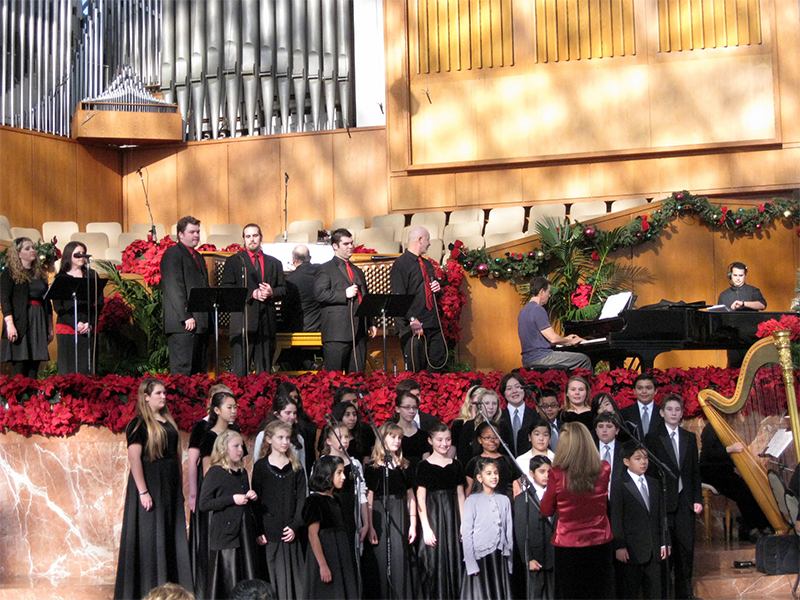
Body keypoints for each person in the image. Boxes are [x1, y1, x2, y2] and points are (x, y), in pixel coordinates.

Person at [114, 378, 193, 600]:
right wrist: (143, 491)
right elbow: (134, 458)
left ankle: (172, 587)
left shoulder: (168, 422)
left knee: (169, 534)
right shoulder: (138, 425)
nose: (163, 396)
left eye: (164, 392)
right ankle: (149, 588)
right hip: (150, 485)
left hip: (168, 486)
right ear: (145, 396)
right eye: (158, 393)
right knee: (151, 536)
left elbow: (176, 456)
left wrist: (179, 487)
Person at [540, 422, 614, 600]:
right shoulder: (603, 469)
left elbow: (546, 510)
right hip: (600, 542)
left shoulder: (557, 474)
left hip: (568, 545)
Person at [645, 394, 703, 600]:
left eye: (677, 410)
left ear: (682, 414)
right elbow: (650, 472)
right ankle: (663, 594)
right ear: (662, 413)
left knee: (686, 550)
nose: (673, 413)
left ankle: (685, 594)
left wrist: (697, 499)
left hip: (685, 501)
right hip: (663, 502)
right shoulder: (652, 438)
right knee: (664, 551)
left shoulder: (689, 437)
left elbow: (694, 472)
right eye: (669, 409)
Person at [199, 430, 267, 600]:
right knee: (229, 576)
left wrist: (251, 497)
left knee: (246, 570)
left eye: (241, 446)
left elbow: (245, 502)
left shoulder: (242, 472)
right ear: (223, 448)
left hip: (244, 531)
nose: (240, 450)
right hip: (225, 534)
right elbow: (204, 504)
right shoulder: (215, 472)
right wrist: (231, 499)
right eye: (235, 446)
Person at [186, 384, 233, 600]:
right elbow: (195, 463)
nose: (232, 409)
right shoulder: (203, 429)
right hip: (210, 490)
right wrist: (194, 495)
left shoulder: (233, 431)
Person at [221, 223, 286, 376]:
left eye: (255, 235)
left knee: (264, 369)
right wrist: (252, 293)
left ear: (261, 237)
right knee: (241, 369)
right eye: (248, 236)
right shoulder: (235, 261)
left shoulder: (274, 263)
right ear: (243, 240)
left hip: (267, 321)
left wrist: (271, 291)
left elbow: (283, 289)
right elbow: (228, 289)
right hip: (243, 320)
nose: (252, 239)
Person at [251, 420, 307, 600]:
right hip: (270, 534)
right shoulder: (261, 467)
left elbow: (301, 500)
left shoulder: (296, 466)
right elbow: (256, 503)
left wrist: (295, 525)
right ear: (269, 440)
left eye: (287, 438)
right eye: (280, 437)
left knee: (295, 582)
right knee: (272, 581)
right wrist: (259, 530)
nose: (285, 442)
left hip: (290, 534)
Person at [362, 422, 417, 599]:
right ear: (382, 438)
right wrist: (369, 525)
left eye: (400, 437)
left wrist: (413, 524)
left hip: (400, 512)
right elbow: (369, 497)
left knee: (400, 558)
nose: (397, 441)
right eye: (392, 436)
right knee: (381, 557)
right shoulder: (372, 467)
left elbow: (410, 496)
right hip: (379, 512)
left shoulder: (404, 466)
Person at [610, 443, 670, 600]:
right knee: (630, 592)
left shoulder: (655, 483)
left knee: (655, 592)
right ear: (626, 462)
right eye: (638, 458)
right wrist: (619, 546)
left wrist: (665, 542)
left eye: (645, 458)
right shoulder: (619, 485)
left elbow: (661, 515)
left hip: (654, 549)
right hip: (631, 550)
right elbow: (616, 517)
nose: (643, 462)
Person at [314, 228, 376, 373]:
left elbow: (364, 297)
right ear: (335, 246)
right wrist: (344, 294)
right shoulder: (325, 269)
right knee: (334, 377)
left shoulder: (357, 270)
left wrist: (371, 322)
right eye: (346, 244)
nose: (350, 246)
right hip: (337, 333)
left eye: (351, 243)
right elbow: (320, 294)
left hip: (359, 332)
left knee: (357, 376)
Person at [416, 422, 466, 600]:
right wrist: (426, 528)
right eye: (439, 440)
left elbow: (460, 496)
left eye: (448, 439)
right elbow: (420, 498)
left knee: (455, 558)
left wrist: (463, 524)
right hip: (433, 516)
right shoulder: (423, 466)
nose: (444, 444)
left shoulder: (456, 465)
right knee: (435, 561)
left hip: (452, 517)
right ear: (430, 441)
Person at [699, 421, 771, 542]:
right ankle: (752, 529)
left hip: (725, 472)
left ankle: (763, 526)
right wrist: (729, 449)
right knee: (741, 492)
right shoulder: (710, 429)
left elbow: (727, 458)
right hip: (711, 473)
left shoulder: (724, 428)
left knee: (750, 489)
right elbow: (706, 455)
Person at [390, 226, 447, 373]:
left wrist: (437, 289)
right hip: (413, 326)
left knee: (436, 367)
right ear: (420, 240)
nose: (429, 243)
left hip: (431, 323)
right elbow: (399, 296)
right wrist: (412, 318)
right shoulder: (401, 264)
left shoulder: (427, 264)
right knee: (417, 369)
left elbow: (431, 293)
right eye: (428, 239)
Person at [303, 455, 360, 599]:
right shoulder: (314, 501)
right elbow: (313, 534)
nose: (344, 477)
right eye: (339, 473)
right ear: (327, 474)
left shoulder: (336, 499)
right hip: (326, 552)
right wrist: (322, 565)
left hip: (340, 550)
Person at [161, 216, 209, 375]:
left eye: (198, 232)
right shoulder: (173, 254)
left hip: (199, 323)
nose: (196, 235)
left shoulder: (198, 256)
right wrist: (186, 315)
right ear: (180, 234)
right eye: (192, 232)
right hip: (183, 324)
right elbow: (174, 287)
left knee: (197, 371)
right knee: (183, 370)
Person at [460, 457, 514, 600]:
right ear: (480, 477)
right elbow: (467, 533)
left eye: (495, 473)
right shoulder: (472, 500)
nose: (494, 477)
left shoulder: (504, 500)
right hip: (481, 559)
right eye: (489, 473)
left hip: (499, 558)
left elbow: (508, 532)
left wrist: (509, 562)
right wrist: (471, 563)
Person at [0, 236, 53, 377]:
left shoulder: (40, 274)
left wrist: (50, 328)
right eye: (27, 248)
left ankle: (32, 398)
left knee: (34, 367)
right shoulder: (9, 273)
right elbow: (5, 300)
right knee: (20, 365)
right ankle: (16, 397)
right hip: (19, 320)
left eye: (33, 248)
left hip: (38, 321)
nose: (32, 251)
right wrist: (10, 325)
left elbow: (46, 301)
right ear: (18, 253)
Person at [318, 423, 369, 566]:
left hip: (349, 514)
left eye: (346, 437)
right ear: (329, 441)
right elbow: (315, 493)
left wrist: (365, 523)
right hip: (330, 515)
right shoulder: (322, 463)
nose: (344, 440)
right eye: (339, 437)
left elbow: (361, 495)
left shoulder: (354, 464)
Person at [51, 240, 104, 375]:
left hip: (88, 327)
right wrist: (75, 324)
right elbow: (59, 307)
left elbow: (99, 303)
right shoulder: (61, 278)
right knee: (68, 368)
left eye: (83, 253)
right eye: (77, 254)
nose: (81, 256)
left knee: (87, 367)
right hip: (68, 327)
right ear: (69, 256)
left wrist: (90, 324)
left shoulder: (91, 276)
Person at [518, 276, 591, 371]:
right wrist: (570, 341)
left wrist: (564, 339)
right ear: (541, 292)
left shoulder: (523, 311)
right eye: (548, 292)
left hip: (527, 360)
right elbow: (553, 339)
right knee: (583, 359)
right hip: (541, 357)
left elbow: (538, 341)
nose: (549, 296)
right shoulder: (538, 309)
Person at [514, 455, 555, 600]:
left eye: (549, 472)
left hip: (555, 554)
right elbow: (520, 531)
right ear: (531, 473)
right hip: (536, 557)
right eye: (542, 471)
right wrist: (528, 558)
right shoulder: (522, 499)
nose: (546, 475)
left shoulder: (557, 496)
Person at [718, 261, 767, 368]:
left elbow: (762, 305)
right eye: (735, 275)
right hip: (732, 338)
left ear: (745, 276)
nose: (738, 278)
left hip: (751, 335)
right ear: (730, 276)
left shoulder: (753, 291)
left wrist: (744, 303)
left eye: (741, 275)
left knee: (753, 367)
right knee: (734, 367)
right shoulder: (724, 295)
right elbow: (719, 316)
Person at [253, 395, 306, 470]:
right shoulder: (263, 435)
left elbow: (302, 466)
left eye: (294, 413)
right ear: (277, 414)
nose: (292, 417)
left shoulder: (298, 438)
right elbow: (257, 461)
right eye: (288, 413)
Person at [464, 422, 516, 499]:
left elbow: (517, 488)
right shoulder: (474, 462)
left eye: (496, 437)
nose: (492, 441)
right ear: (480, 439)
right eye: (487, 438)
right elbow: (468, 490)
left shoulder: (508, 460)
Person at [456, 388, 508, 463]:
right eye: (486, 403)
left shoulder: (503, 425)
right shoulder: (469, 425)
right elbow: (462, 454)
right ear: (479, 406)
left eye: (494, 403)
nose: (491, 407)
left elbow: (507, 452)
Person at [283, 244, 321, 332]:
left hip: (299, 326)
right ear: (310, 258)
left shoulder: (290, 279)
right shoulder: (321, 271)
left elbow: (285, 309)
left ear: (293, 260)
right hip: (322, 325)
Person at [499, 372, 538, 457]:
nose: (514, 391)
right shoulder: (499, 417)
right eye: (509, 388)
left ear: (524, 389)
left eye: (518, 387)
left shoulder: (535, 415)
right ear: (504, 394)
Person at [513, 418, 554, 497]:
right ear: (529, 437)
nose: (541, 438)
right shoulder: (520, 461)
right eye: (537, 434)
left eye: (545, 435)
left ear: (549, 438)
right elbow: (517, 488)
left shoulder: (556, 459)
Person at [393, 389, 431, 473]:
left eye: (414, 408)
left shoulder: (422, 435)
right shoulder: (391, 434)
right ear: (398, 409)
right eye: (407, 407)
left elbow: (426, 463)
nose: (411, 411)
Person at [618, 373, 664, 441]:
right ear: (634, 391)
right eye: (640, 388)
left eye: (648, 388)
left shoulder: (663, 413)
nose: (644, 391)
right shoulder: (624, 413)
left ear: (655, 391)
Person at [595, 412, 626, 493]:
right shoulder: (589, 450)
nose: (604, 430)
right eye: (601, 426)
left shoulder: (624, 451)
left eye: (609, 426)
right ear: (596, 430)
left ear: (617, 430)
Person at [538, 388, 562, 452]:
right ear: (537, 408)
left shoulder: (566, 428)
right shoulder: (529, 431)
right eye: (545, 406)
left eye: (553, 405)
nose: (549, 409)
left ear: (559, 406)